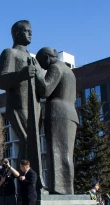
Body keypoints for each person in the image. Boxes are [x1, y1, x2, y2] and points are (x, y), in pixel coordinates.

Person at [0, 20, 43, 185]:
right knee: (27, 142)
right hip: (19, 105)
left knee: (31, 144)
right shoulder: (10, 53)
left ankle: (29, 181)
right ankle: (23, 183)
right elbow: (2, 81)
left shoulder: (32, 58)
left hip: (34, 106)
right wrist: (21, 74)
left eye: (31, 31)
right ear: (17, 34)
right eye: (27, 31)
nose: (31, 34)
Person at [34, 47, 79, 195]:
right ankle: (65, 188)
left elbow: (45, 90)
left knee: (57, 151)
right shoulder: (69, 71)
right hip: (70, 113)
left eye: (41, 63)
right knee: (65, 153)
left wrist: (38, 74)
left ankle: (60, 188)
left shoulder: (56, 68)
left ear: (47, 58)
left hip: (58, 113)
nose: (41, 66)